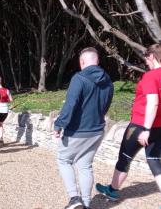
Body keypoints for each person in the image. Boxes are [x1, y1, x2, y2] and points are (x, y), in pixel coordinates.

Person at [96, 43, 161, 202]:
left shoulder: (150, 76)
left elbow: (152, 102)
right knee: (154, 160)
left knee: (125, 157)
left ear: (152, 56)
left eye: (147, 57)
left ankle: (112, 190)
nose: (146, 61)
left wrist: (146, 129)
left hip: (141, 125)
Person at [53, 47, 114, 209]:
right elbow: (106, 105)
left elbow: (70, 104)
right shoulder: (108, 80)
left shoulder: (79, 78)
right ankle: (86, 203)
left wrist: (59, 124)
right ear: (97, 61)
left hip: (78, 130)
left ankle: (74, 198)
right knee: (85, 164)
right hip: (97, 130)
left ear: (82, 62)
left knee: (64, 160)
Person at [0, 76, 13, 145]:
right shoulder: (7, 90)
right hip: (5, 110)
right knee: (0, 124)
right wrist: (5, 101)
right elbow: (11, 100)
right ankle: (1, 138)